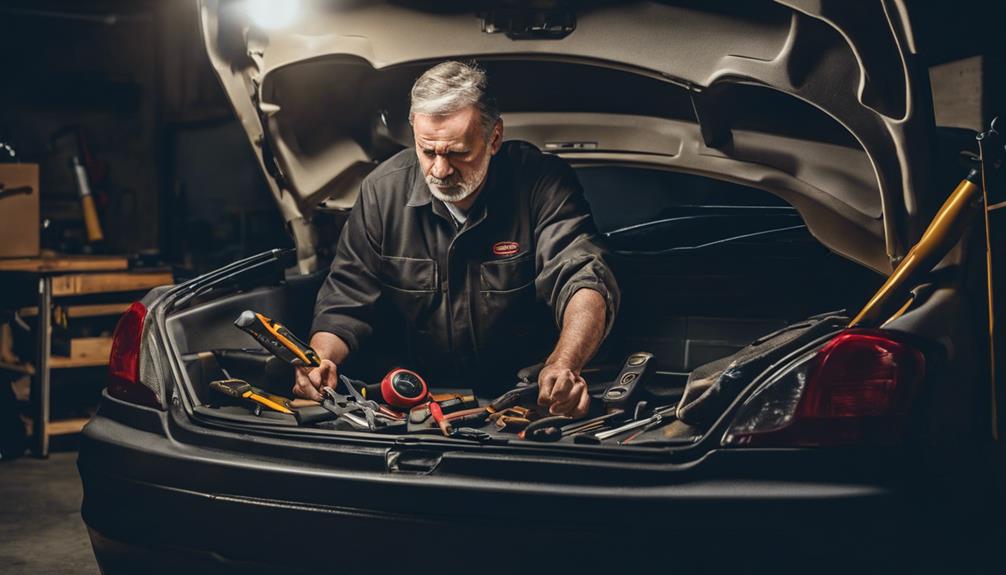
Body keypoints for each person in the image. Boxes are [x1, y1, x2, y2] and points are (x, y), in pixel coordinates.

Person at [295, 61, 618, 418]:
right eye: (427, 151)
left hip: (525, 402)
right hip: (416, 408)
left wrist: (563, 365)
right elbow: (345, 298)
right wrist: (320, 360)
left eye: (457, 153)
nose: (440, 170)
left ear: (494, 138)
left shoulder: (542, 184)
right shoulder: (381, 192)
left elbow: (582, 279)